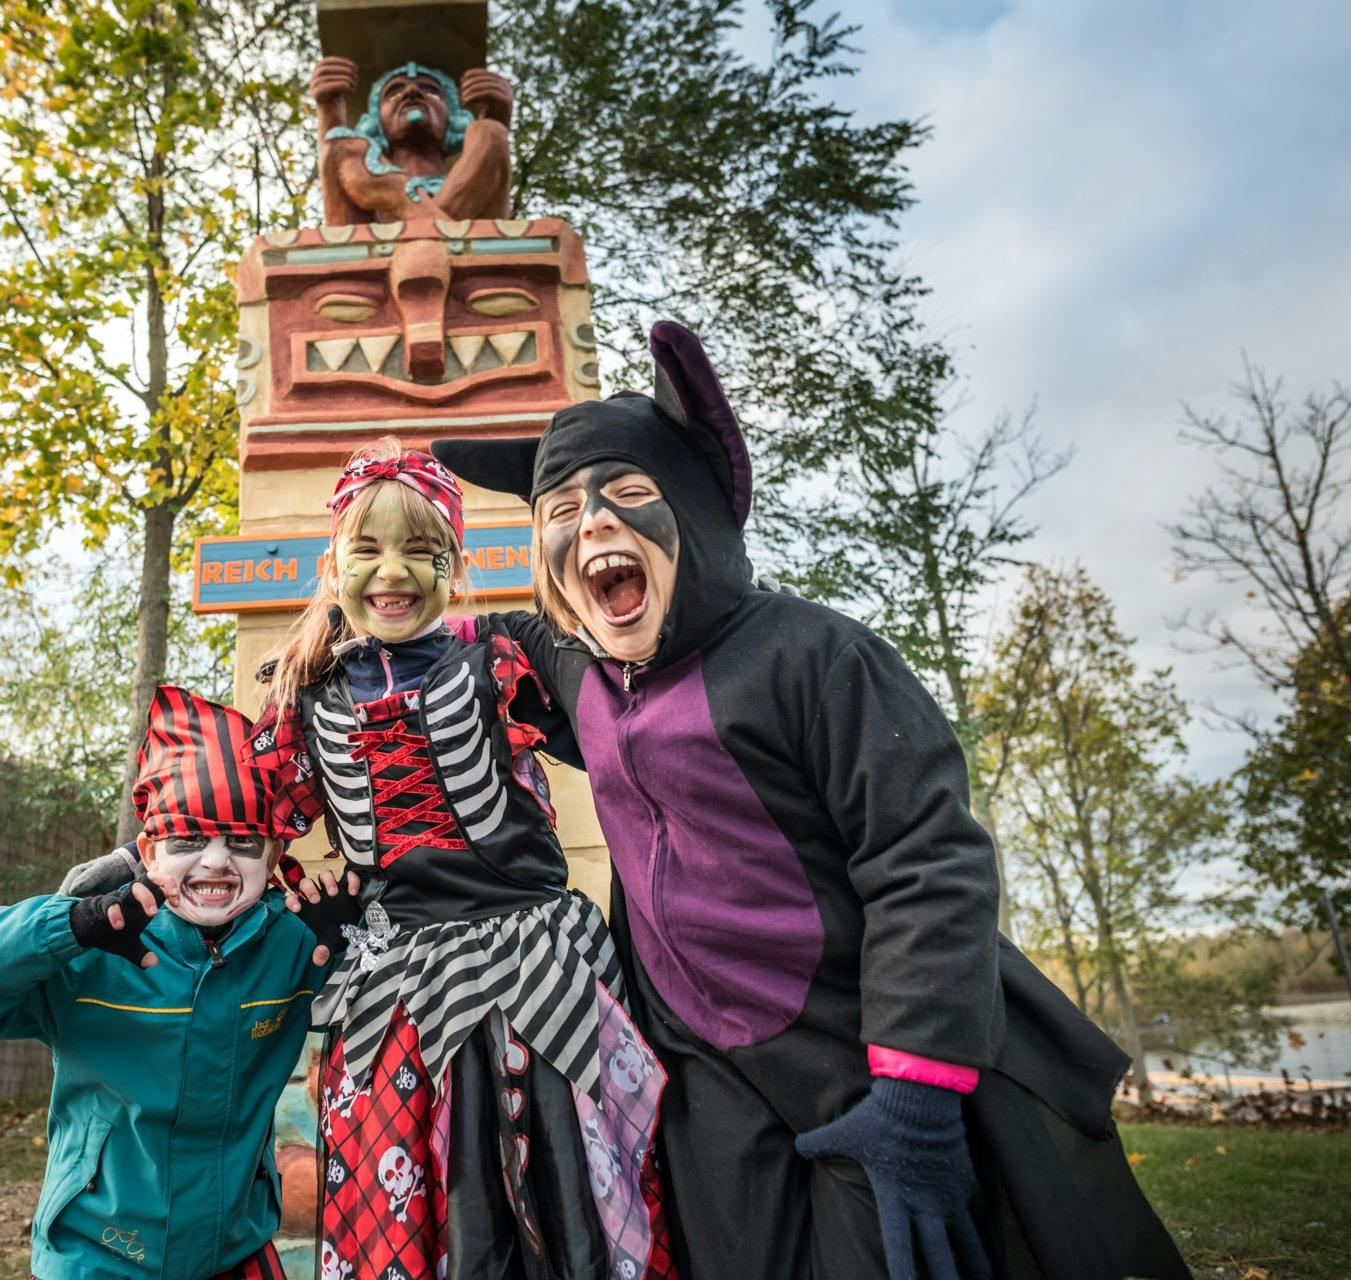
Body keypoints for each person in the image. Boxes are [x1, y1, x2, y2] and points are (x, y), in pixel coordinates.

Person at [429, 322, 1189, 1280]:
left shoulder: (815, 655)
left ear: (696, 510)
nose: (593, 526)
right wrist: (370, 617)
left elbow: (928, 859)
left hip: (859, 1058)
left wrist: (914, 1094)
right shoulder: (580, 673)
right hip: (709, 1081)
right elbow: (466, 639)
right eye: (562, 511)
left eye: (630, 495)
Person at [243, 440, 676, 1280]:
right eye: (366, 549)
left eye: (421, 549)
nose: (392, 572)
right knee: (419, 1215)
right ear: (333, 566)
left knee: (567, 1199)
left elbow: (634, 730)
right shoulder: (303, 699)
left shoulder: (504, 660)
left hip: (536, 971)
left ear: (456, 565)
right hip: (394, 989)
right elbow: (244, 821)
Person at [0, 686, 356, 1280]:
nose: (215, 862)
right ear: (149, 850)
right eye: (187, 840)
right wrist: (68, 925)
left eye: (242, 842)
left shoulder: (293, 943)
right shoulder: (98, 941)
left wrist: (355, 937)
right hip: (97, 1256)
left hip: (234, 1251)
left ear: (274, 851)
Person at [310, 56, 514, 225]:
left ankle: (422, 220)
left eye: (431, 91)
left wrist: (496, 118)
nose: (411, 92)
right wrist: (329, 111)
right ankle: (437, 227)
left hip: (462, 247)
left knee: (489, 130)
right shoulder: (364, 177)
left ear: (453, 118)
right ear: (375, 122)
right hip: (383, 244)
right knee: (340, 144)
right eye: (393, 93)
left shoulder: (473, 168)